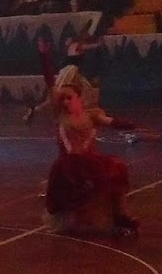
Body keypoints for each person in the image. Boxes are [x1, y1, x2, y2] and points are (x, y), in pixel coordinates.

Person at [43, 84, 139, 237]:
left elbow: (109, 121)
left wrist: (128, 124)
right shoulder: (62, 121)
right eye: (63, 99)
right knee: (82, 179)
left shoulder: (91, 115)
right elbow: (72, 151)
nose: (66, 102)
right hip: (69, 165)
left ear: (79, 98)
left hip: (91, 161)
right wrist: (89, 138)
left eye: (69, 97)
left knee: (118, 168)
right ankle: (80, 218)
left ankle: (120, 214)